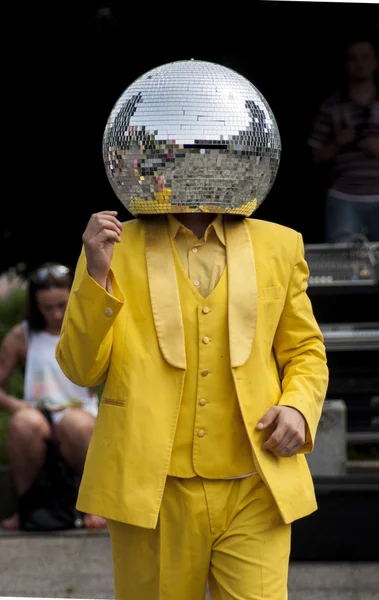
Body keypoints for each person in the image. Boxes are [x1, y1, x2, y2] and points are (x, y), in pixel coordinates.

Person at [56, 204, 328, 599]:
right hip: (150, 488)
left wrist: (298, 406)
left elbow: (304, 350)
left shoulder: (281, 243)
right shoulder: (112, 245)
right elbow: (81, 370)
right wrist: (97, 274)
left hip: (255, 483)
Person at [0, 262, 106, 530]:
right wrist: (15, 405)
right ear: (34, 305)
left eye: (62, 305)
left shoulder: (87, 330)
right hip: (39, 414)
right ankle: (26, 507)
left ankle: (94, 505)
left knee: (76, 425)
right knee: (23, 424)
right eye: (46, 308)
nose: (56, 314)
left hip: (80, 412)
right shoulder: (22, 336)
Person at [308, 35, 379, 242]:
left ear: (375, 62)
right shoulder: (332, 106)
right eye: (353, 59)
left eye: (365, 58)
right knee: (345, 265)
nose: (360, 64)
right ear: (346, 64)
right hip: (344, 197)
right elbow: (314, 156)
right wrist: (338, 142)